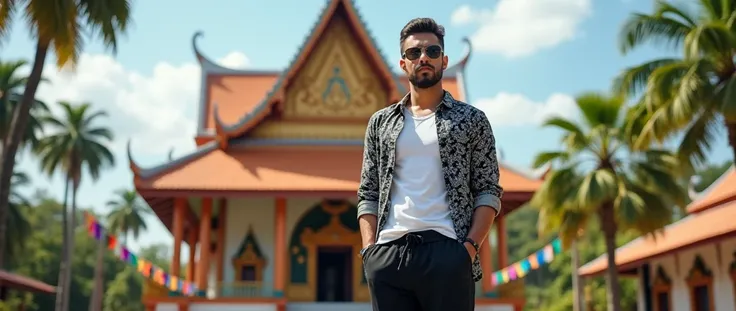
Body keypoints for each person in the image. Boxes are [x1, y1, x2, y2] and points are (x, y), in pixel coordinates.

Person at [356, 17, 503, 311]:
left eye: (432, 52)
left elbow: (488, 190)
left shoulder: (471, 120)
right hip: (389, 254)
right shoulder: (381, 123)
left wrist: (469, 249)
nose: (423, 58)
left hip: (448, 251)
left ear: (444, 60)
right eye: (414, 53)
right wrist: (370, 251)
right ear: (403, 63)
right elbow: (368, 192)